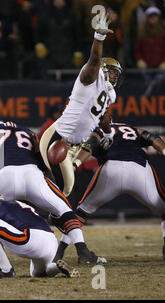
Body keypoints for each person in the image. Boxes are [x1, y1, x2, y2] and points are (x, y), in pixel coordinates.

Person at [0, 120, 106, 265]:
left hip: (5, 176)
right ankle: (82, 250)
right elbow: (42, 157)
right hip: (32, 175)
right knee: (65, 210)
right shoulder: (29, 133)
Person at [39, 9, 121, 197]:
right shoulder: (92, 75)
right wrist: (99, 37)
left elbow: (103, 115)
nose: (115, 77)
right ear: (103, 69)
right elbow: (94, 60)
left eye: (118, 74)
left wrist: (108, 134)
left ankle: (53, 214)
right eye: (113, 72)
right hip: (57, 138)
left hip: (75, 144)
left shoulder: (110, 92)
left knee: (66, 189)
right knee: (65, 189)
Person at [55, 121, 165, 260]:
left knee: (81, 212)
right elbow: (151, 137)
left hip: (111, 169)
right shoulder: (129, 129)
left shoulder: (97, 129)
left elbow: (91, 144)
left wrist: (75, 164)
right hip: (140, 170)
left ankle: (61, 252)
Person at [0, 187, 79, 279]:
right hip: (50, 240)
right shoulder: (16, 203)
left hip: (30, 239)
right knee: (37, 274)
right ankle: (57, 267)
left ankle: (6, 270)